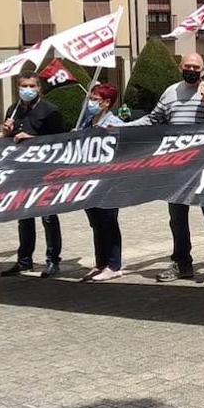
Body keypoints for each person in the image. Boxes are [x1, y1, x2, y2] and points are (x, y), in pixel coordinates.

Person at [126, 52, 204, 287]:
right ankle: (182, 262)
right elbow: (153, 120)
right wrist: (123, 128)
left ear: (203, 69)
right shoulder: (170, 92)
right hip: (177, 166)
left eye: (196, 66)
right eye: (188, 66)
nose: (192, 70)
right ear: (180, 67)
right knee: (177, 218)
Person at [0, 71, 67, 277]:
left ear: (39, 89)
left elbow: (61, 139)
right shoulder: (14, 109)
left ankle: (53, 260)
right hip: (21, 172)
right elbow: (8, 139)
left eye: (32, 86)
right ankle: (24, 260)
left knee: (48, 217)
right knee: (23, 217)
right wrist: (5, 130)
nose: (27, 90)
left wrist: (33, 138)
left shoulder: (50, 111)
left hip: (45, 172)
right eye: (23, 86)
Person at [78, 83, 125, 282]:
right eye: (91, 98)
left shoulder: (115, 124)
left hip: (108, 181)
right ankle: (100, 263)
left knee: (108, 222)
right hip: (88, 179)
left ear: (106, 103)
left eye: (95, 99)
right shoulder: (86, 121)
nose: (91, 103)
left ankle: (114, 265)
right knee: (96, 223)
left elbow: (122, 151)